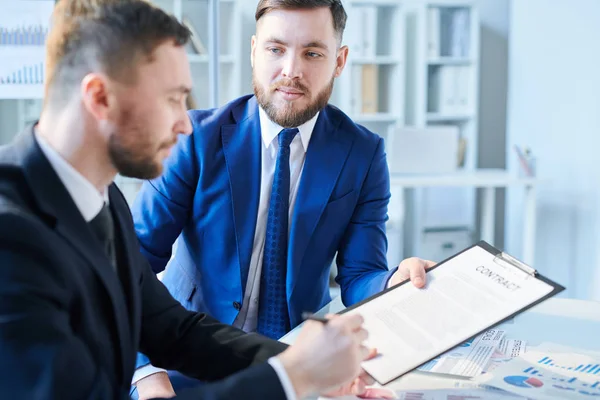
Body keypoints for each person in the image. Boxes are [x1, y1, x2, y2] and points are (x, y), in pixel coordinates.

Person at [0, 0, 376, 399]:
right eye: (172, 98)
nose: (184, 123)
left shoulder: (100, 194)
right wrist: (292, 378)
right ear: (101, 98)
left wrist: (312, 368)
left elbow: (171, 329)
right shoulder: (11, 236)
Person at [131, 0, 435, 396]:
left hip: (296, 360)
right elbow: (128, 267)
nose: (291, 70)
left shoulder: (362, 154)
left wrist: (393, 281)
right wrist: (146, 373)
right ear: (254, 51)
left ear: (339, 61)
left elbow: (360, 276)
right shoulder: (194, 138)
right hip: (183, 359)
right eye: (276, 49)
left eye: (312, 53)